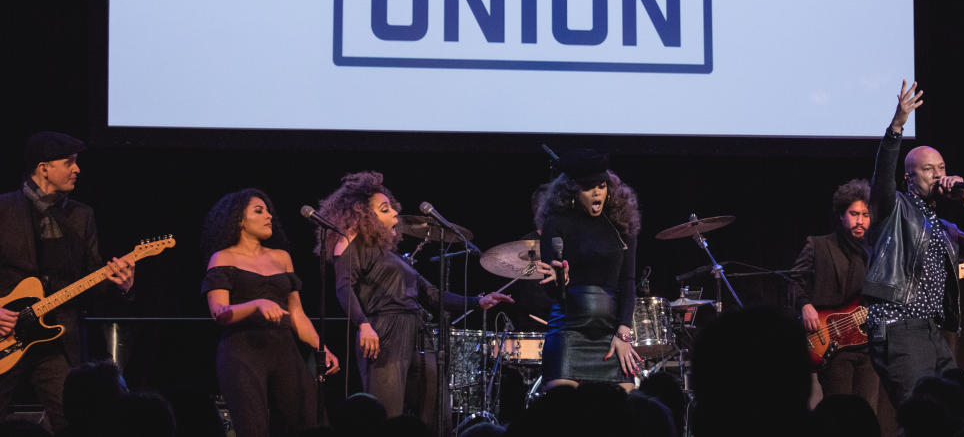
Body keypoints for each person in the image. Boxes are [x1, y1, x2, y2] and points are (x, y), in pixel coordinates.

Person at [318, 171, 512, 423]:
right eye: (385, 209)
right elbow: (343, 287)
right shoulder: (351, 244)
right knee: (387, 411)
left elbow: (431, 294)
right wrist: (363, 324)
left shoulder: (393, 256)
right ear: (363, 215)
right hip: (383, 330)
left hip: (416, 330)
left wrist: (477, 301)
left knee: (434, 407)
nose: (395, 213)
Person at [862, 81, 964, 407]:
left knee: (956, 408)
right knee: (921, 414)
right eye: (928, 170)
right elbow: (882, 177)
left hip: (931, 331)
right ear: (910, 177)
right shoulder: (893, 209)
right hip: (898, 325)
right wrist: (896, 127)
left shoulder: (943, 227)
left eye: (942, 169)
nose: (937, 175)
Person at [0, 132, 135, 432]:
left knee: (74, 421)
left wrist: (120, 285)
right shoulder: (4, 209)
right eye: (69, 162)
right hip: (6, 332)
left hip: (57, 339)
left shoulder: (81, 215)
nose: (77, 169)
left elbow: (93, 276)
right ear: (43, 168)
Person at [201, 189, 339, 437]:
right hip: (242, 352)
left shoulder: (281, 258)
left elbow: (297, 314)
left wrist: (322, 348)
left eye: (268, 211)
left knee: (310, 419)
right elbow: (219, 312)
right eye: (259, 211)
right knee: (253, 428)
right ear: (239, 220)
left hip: (284, 349)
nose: (269, 216)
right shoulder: (222, 258)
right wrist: (257, 304)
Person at [533, 150, 642, 389]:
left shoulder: (621, 226)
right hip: (569, 331)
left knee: (622, 407)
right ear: (572, 192)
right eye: (588, 187)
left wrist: (624, 333)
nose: (597, 192)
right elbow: (553, 291)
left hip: (610, 334)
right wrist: (560, 280)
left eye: (602, 186)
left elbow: (628, 281)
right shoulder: (556, 224)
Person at [792, 178, 881, 411]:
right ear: (842, 215)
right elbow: (793, 281)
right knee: (839, 415)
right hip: (831, 345)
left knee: (866, 414)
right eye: (854, 214)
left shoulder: (877, 253)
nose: (860, 220)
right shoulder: (818, 246)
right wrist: (804, 304)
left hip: (869, 347)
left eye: (865, 215)